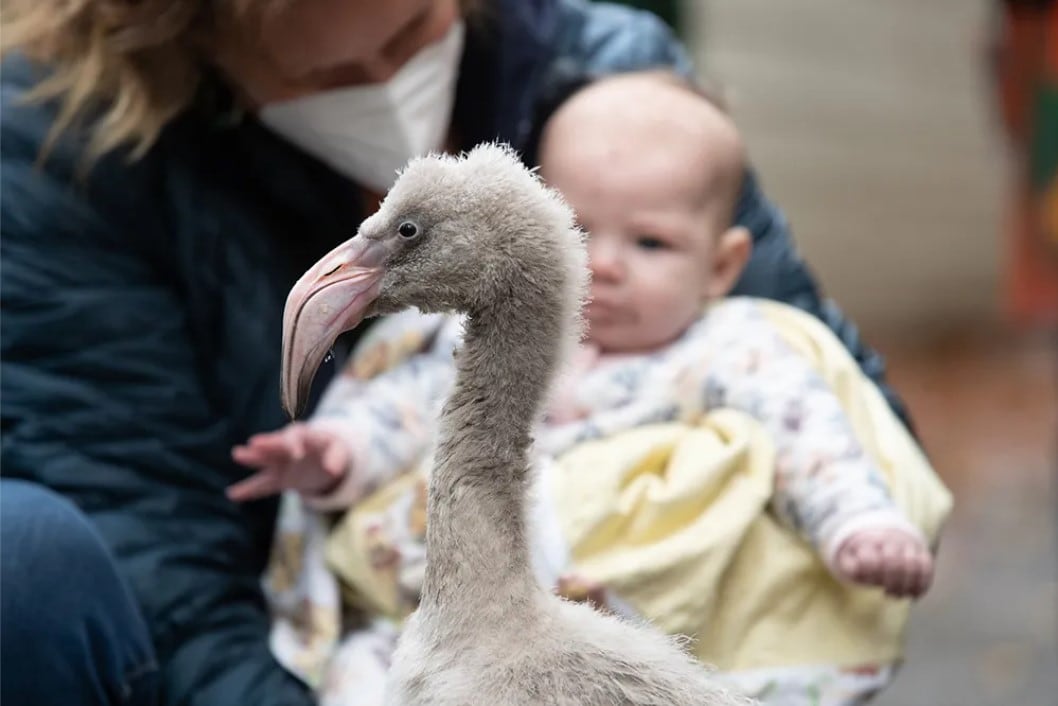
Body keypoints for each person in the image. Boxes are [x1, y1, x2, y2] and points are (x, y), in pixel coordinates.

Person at [0, 1, 911, 704]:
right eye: (332, 72)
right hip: (333, 628)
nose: (390, 83)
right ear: (196, 38)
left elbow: (837, 407)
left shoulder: (622, 97)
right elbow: (152, 537)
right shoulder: (67, 159)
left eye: (409, 35)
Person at [231, 72, 950, 705]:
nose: (602, 265)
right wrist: (338, 450)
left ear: (724, 264)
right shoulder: (449, 350)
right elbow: (399, 408)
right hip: (470, 613)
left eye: (650, 243)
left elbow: (814, 433)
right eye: (582, 228)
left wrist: (861, 524)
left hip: (655, 622)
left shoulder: (735, 349)